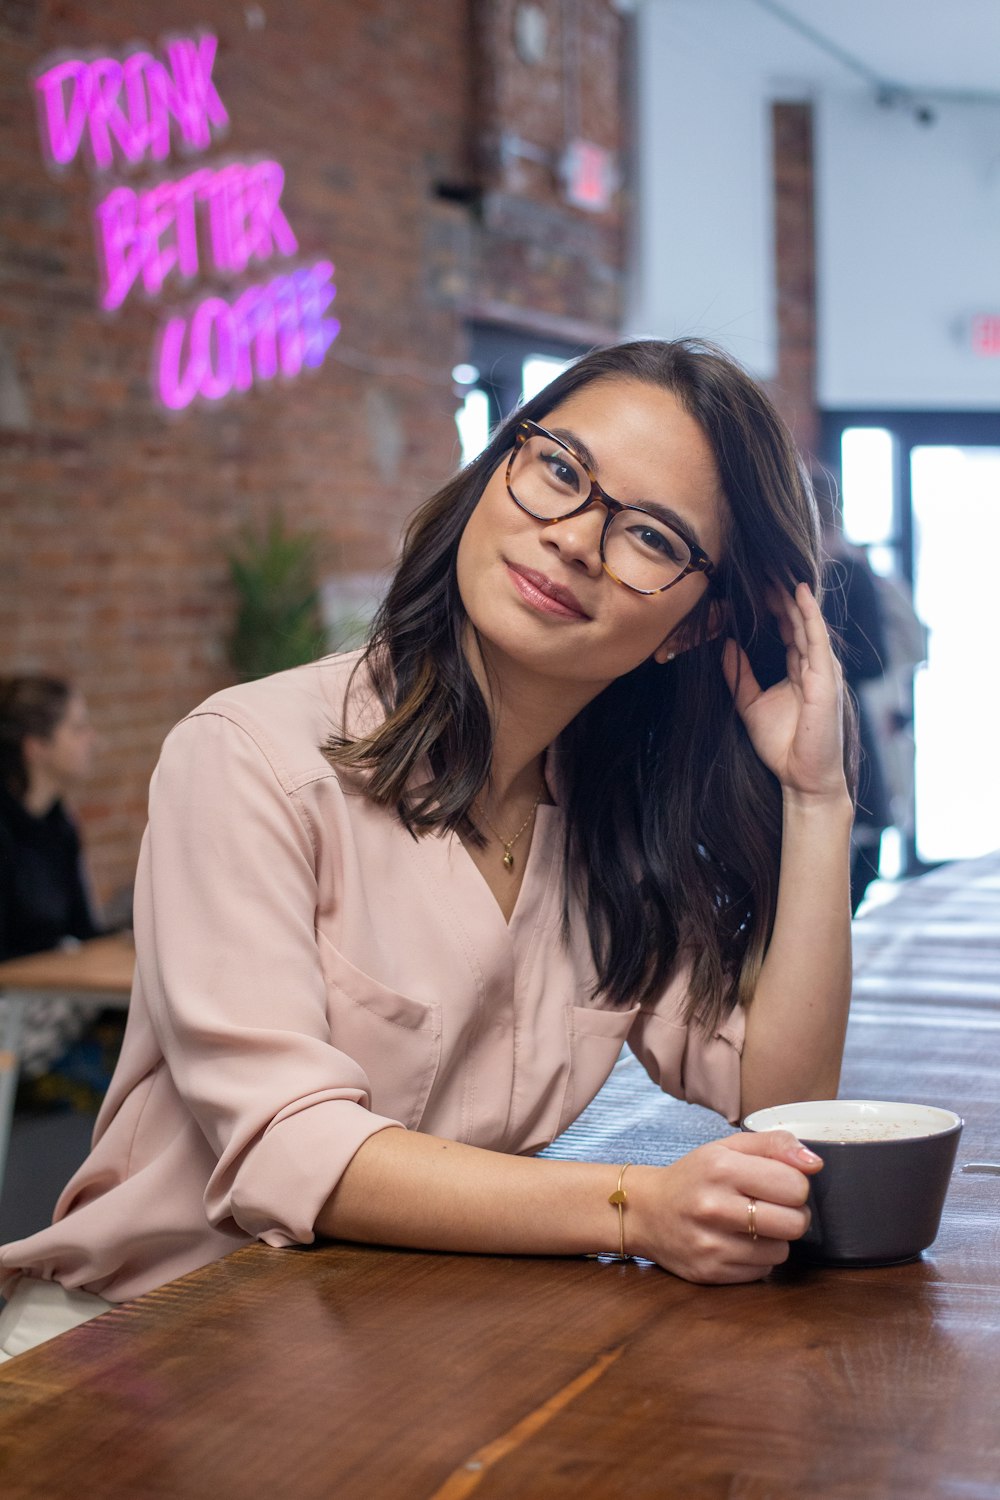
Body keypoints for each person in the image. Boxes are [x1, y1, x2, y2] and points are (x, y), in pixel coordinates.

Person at [0, 339, 854, 1361]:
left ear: (690, 625)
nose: (577, 540)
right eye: (561, 472)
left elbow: (780, 1095)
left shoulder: (611, 825)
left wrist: (816, 796)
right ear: (497, 466)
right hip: (144, 1350)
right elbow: (287, 1144)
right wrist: (635, 1207)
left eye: (653, 538)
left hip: (401, 1348)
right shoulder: (249, 757)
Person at [0, 677, 101, 1082]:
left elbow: (83, 930)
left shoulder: (60, 824)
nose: (93, 740)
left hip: (46, 992)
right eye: (77, 729)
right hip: (15, 1004)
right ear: (35, 747)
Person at [812, 470, 892, 913]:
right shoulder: (848, 571)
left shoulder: (797, 571)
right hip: (841, 718)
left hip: (820, 712)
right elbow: (874, 657)